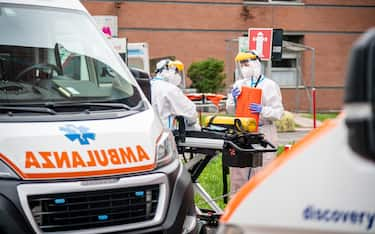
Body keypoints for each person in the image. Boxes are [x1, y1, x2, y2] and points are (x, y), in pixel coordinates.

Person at [226, 50, 284, 194]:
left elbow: (278, 112)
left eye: (247, 63)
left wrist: (262, 110)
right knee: (239, 172)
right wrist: (233, 100)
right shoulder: (239, 84)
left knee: (262, 170)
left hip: (263, 132)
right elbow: (231, 110)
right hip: (243, 133)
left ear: (256, 63)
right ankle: (237, 204)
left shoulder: (269, 85)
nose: (244, 67)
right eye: (242, 64)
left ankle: (261, 203)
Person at [151, 59, 199, 129]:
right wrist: (193, 124)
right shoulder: (170, 89)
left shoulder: (151, 84)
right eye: (175, 71)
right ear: (166, 71)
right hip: (164, 132)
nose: (177, 75)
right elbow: (190, 111)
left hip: (152, 131)